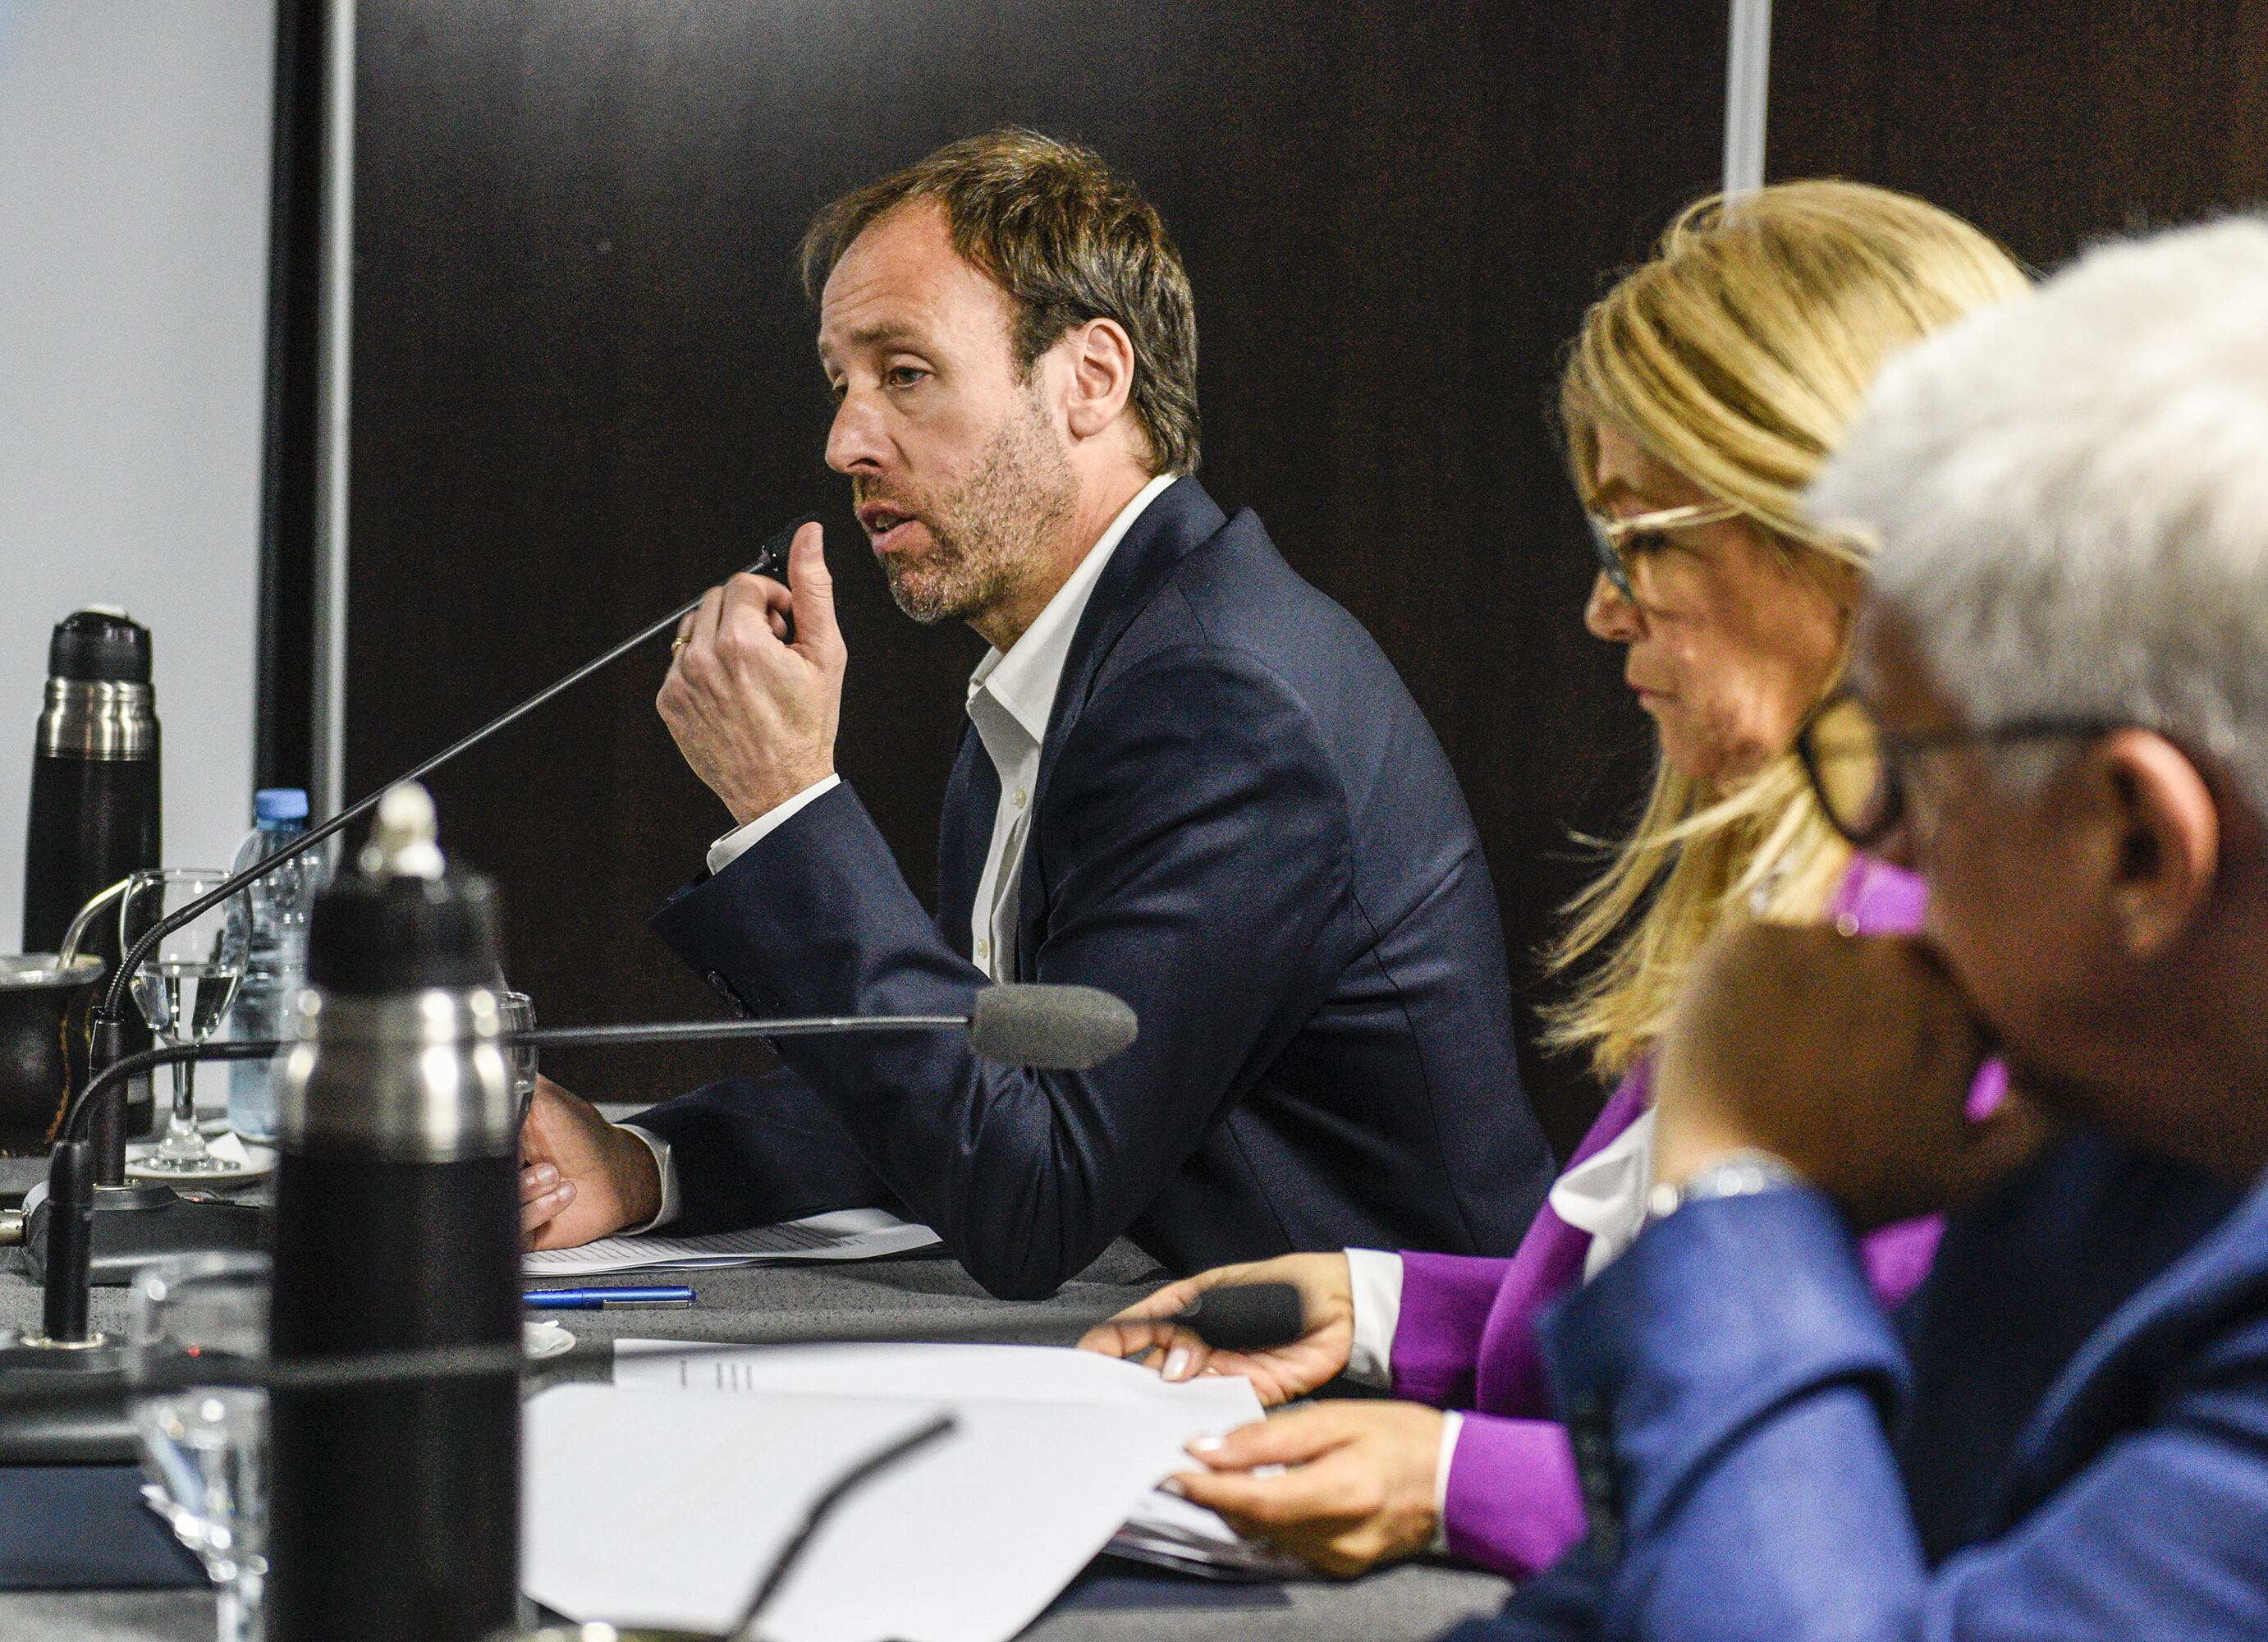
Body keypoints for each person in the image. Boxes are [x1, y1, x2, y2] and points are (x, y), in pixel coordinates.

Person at [1455, 213, 2268, 1641]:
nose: (1876, 843)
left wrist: (1743, 1188)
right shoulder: (2145, 1073)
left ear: (2140, 847)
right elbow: (1667, 1585)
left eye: (1911, 772)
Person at [1082, 182, 2029, 1576]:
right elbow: (1664, 1307)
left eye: (1641, 542)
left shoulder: (1955, 969)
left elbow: (1863, 1487)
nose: (1602, 606)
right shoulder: (1805, 901)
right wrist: (1388, 1307)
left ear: (1850, 541)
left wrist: (1454, 1479)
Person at [513, 129, 1556, 1300]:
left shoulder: (1220, 699)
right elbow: (965, 1086)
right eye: (840, 385)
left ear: (1091, 381)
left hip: (1406, 1402)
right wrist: (646, 1164)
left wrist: (785, 805)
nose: (845, 442)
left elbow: (1030, 1189)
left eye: (904, 374)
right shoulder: (1085, 658)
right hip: (1204, 1349)